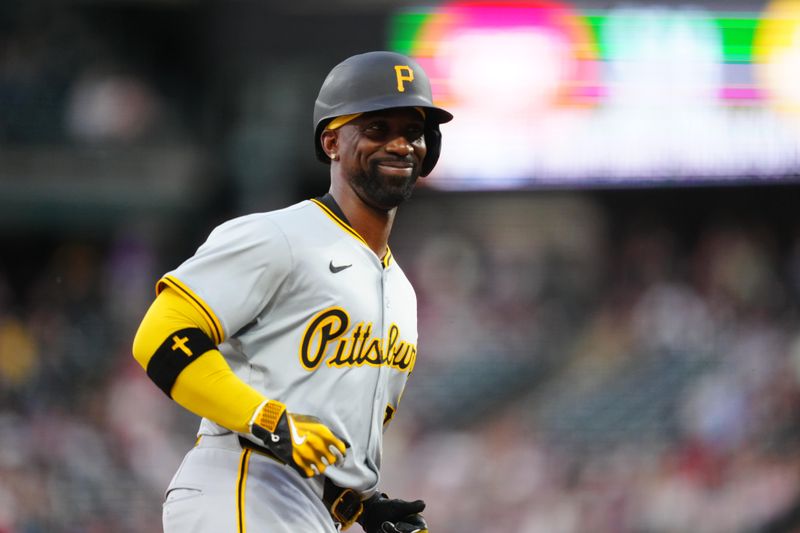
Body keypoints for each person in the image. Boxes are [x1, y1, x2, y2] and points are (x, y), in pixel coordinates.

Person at [131, 50, 453, 533]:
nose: (401, 144)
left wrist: (363, 506)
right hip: (245, 484)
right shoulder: (279, 235)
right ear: (331, 142)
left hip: (313, 511)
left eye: (413, 131)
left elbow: (333, 422)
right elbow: (159, 335)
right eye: (377, 129)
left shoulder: (402, 293)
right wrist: (267, 418)